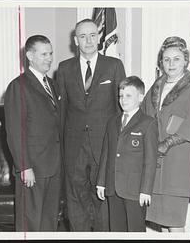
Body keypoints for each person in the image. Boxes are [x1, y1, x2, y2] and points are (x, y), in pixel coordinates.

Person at [57, 18, 126, 231]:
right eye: (83, 36)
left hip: (104, 145)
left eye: (93, 35)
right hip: (74, 147)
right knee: (76, 200)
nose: (88, 40)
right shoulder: (64, 68)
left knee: (103, 201)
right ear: (75, 41)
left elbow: (121, 109)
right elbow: (62, 112)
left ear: (99, 38)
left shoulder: (114, 66)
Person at [141, 36, 190, 232]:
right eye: (166, 59)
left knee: (174, 223)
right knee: (161, 223)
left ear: (185, 60)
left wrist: (167, 143)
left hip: (177, 164)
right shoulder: (156, 87)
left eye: (176, 59)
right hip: (155, 165)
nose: (171, 64)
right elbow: (144, 118)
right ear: (160, 62)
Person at [4, 35, 62, 231]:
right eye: (44, 54)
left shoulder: (52, 85)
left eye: (51, 53)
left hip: (53, 166)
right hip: (32, 168)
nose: (49, 58)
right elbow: (14, 131)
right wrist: (24, 166)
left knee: (49, 220)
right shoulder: (18, 86)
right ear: (30, 55)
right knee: (30, 222)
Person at [96, 76, 158, 232]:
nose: (123, 100)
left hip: (135, 190)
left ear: (140, 97)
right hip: (113, 187)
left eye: (128, 95)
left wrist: (146, 190)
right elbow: (106, 154)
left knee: (135, 229)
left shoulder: (148, 123)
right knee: (116, 229)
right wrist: (101, 182)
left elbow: (150, 161)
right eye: (121, 96)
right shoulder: (112, 121)